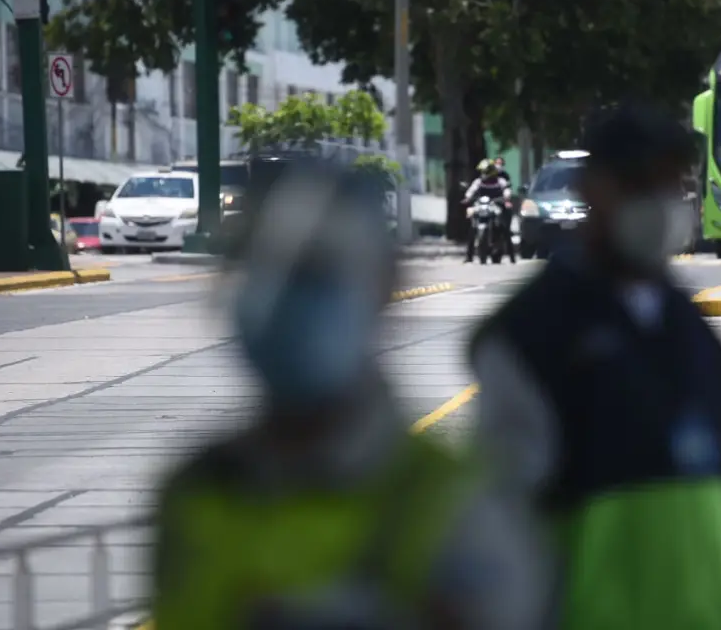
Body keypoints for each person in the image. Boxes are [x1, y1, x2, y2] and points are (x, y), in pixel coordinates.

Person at [151, 163, 548, 630]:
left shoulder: (449, 501)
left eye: (313, 270)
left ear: (382, 288)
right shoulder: (195, 492)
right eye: (256, 267)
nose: (280, 297)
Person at [468, 105, 721, 629]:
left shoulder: (693, 332)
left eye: (674, 187)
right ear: (592, 190)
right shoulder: (531, 335)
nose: (664, 205)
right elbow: (498, 527)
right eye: (644, 184)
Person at [463, 162, 515, 263]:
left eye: (486, 171)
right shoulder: (478, 182)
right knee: (472, 229)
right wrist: (468, 197)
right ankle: (469, 256)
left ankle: (511, 256)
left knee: (504, 229)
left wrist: (506, 196)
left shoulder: (500, 181)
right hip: (480, 205)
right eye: (482, 171)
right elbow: (471, 190)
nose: (484, 174)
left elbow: (507, 190)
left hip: (495, 205)